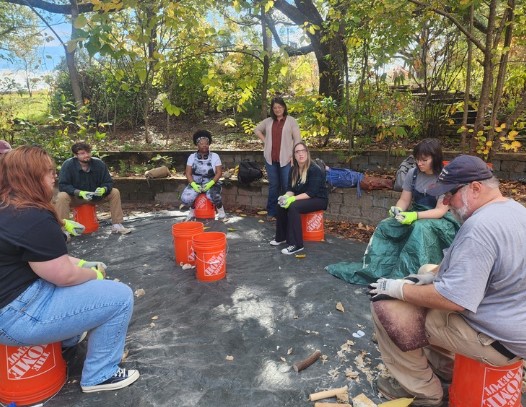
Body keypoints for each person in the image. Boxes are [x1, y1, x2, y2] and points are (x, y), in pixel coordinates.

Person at [368, 155, 526, 405]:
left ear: (475, 188)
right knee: (427, 267)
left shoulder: (479, 228)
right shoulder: (515, 209)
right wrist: (429, 276)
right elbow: (480, 264)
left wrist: (398, 289)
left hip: (498, 342)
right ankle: (446, 366)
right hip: (513, 321)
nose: (445, 201)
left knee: (386, 308)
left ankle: (422, 390)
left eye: (450, 193)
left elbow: (453, 300)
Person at [0, 146, 140, 393]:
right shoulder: (32, 217)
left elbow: (46, 259)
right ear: (31, 177)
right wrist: (93, 273)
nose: (53, 177)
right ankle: (100, 375)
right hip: (16, 318)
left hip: (12, 301)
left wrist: (82, 264)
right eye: (48, 172)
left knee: (76, 279)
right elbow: (64, 275)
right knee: (120, 297)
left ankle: (67, 338)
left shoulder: (8, 207)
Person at [326, 138, 460, 284]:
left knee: (419, 229)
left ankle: (411, 277)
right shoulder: (413, 173)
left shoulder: (444, 178)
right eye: (417, 160)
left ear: (435, 158)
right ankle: (375, 268)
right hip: (415, 214)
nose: (419, 163)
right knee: (386, 225)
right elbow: (404, 200)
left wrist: (414, 215)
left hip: (439, 220)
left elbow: (440, 211)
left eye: (424, 160)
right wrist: (398, 209)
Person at [55, 142, 131, 235]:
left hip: (95, 197)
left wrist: (104, 189)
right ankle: (63, 230)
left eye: (88, 152)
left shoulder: (99, 164)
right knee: (61, 196)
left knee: (115, 192)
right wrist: (79, 192)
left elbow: (108, 182)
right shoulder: (68, 165)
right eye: (82, 153)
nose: (86, 155)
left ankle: (117, 225)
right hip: (76, 198)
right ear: (75, 155)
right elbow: (63, 185)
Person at [269, 141, 328, 255]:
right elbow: (291, 189)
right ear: (294, 155)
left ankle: (296, 244)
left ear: (307, 153)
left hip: (319, 199)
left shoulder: (314, 169)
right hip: (304, 197)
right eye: (297, 152)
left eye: (303, 151)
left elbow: (311, 193)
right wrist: (286, 197)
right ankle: (281, 237)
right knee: (280, 204)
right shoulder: (293, 169)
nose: (301, 154)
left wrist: (293, 199)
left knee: (294, 207)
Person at [254, 96, 302, 220]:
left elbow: (297, 139)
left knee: (287, 186)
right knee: (274, 185)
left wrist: (295, 155)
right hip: (271, 159)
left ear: (284, 107)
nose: (277, 109)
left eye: (279, 107)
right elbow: (257, 129)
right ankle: (271, 212)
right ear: (272, 109)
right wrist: (266, 141)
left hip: (287, 158)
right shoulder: (268, 121)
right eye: (275, 107)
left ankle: (286, 212)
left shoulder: (291, 121)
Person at [181, 130, 226, 221]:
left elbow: (219, 173)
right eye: (202, 144)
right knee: (186, 199)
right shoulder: (192, 157)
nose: (204, 145)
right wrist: (193, 184)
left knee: (213, 196)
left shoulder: (215, 156)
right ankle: (192, 213)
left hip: (211, 182)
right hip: (196, 182)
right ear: (197, 145)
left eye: (206, 143)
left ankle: (221, 213)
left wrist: (210, 183)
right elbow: (188, 173)